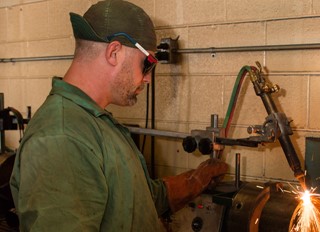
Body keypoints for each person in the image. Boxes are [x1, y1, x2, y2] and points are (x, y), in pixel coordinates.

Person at [10, 0, 228, 231]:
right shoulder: (62, 137)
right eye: (148, 63)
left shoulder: (93, 122)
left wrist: (194, 182)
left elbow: (133, 201)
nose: (148, 78)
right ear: (114, 52)